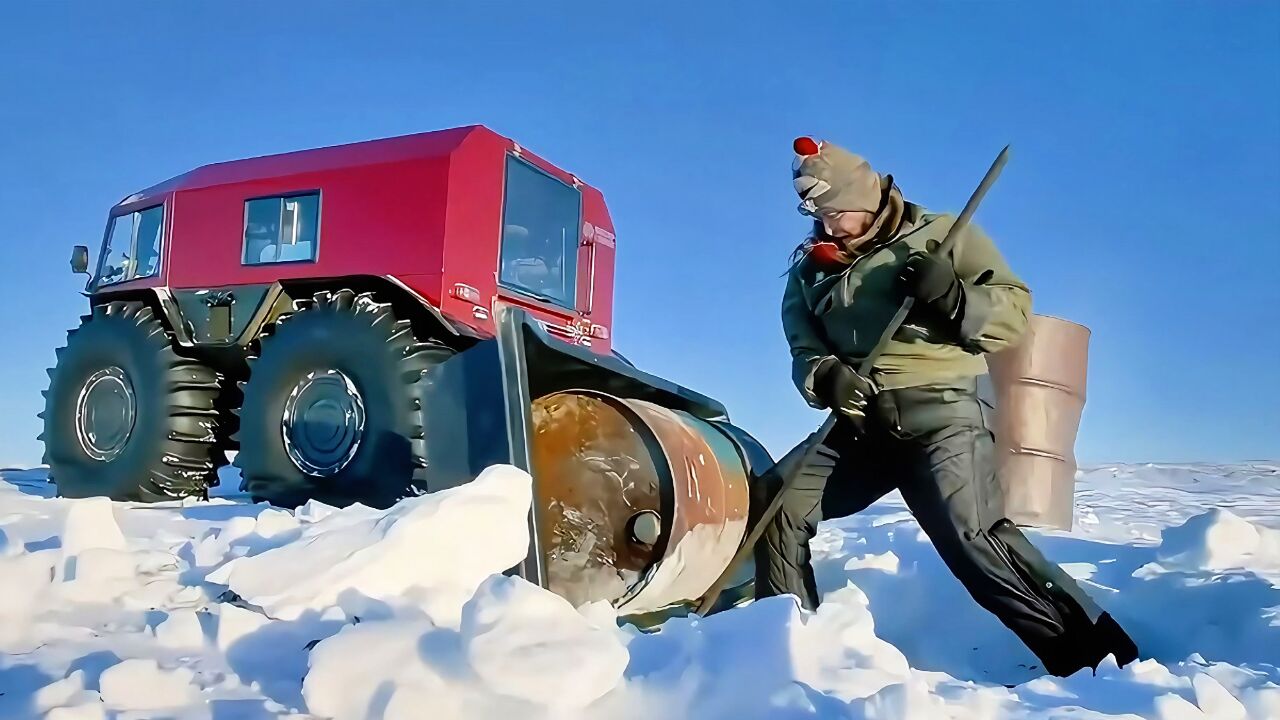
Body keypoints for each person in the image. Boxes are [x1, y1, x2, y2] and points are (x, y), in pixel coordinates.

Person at [756, 136, 1139, 678]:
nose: (827, 225)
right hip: (862, 421)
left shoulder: (940, 236)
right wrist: (825, 376)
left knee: (973, 543)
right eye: (816, 215)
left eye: (836, 212)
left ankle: (1094, 658)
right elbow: (804, 346)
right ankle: (791, 647)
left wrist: (955, 299)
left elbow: (1013, 312)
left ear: (865, 198)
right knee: (780, 505)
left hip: (944, 414)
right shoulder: (809, 273)